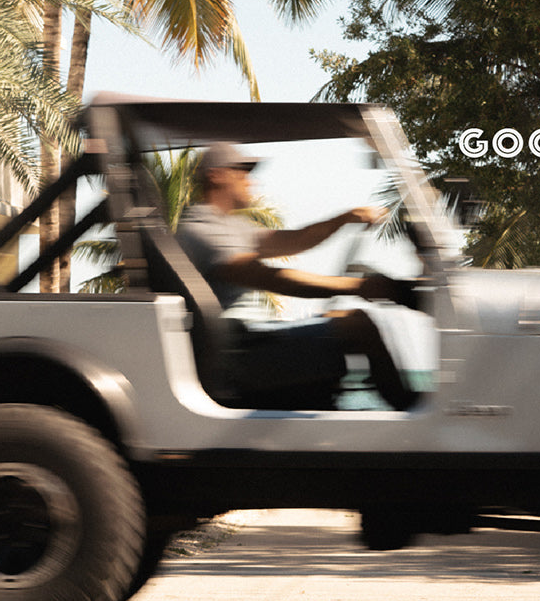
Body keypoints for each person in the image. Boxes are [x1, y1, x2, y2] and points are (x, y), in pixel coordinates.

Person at [175, 142, 419, 410]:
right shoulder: (200, 229)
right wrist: (360, 287)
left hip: (250, 339)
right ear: (216, 175)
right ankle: (414, 420)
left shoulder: (230, 226)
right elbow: (267, 278)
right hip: (237, 351)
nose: (251, 182)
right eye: (243, 172)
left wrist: (344, 219)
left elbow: (295, 240)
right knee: (358, 325)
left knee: (343, 319)